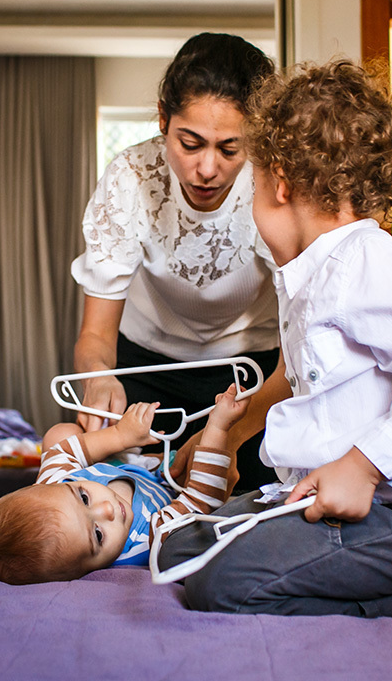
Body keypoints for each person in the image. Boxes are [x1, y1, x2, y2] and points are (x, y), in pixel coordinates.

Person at [159, 58, 392, 619]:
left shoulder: (369, 267)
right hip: (325, 507)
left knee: (218, 586)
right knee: (181, 548)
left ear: (281, 182)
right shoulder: (314, 277)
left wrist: (363, 467)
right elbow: (303, 385)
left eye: (255, 189)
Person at [71, 32, 285, 493]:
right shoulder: (130, 177)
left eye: (231, 149)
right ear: (164, 120)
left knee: (251, 515)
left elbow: (299, 354)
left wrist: (229, 437)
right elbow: (95, 336)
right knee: (130, 507)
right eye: (190, 143)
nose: (208, 168)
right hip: (146, 369)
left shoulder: (275, 181)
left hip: (252, 380)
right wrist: (98, 379)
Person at [0, 385, 247, 584]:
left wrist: (119, 435)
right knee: (210, 489)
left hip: (126, 466)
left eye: (83, 498)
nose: (107, 509)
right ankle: (148, 460)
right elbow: (199, 500)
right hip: (172, 482)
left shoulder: (56, 484)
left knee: (59, 435)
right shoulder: (146, 540)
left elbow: (59, 451)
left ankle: (124, 455)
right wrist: (218, 429)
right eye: (98, 535)